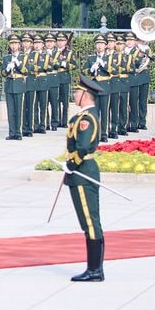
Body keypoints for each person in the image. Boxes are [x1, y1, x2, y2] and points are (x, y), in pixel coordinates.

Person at [65, 74, 106, 282]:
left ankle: (95, 270)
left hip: (83, 172)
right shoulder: (84, 116)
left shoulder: (87, 119)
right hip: (81, 171)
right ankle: (95, 268)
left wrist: (71, 164)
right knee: (89, 221)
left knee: (90, 222)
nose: (75, 94)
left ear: (85, 95)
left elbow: (83, 147)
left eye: (77, 92)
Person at [2, 34, 27, 140]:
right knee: (10, 111)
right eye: (12, 43)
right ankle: (11, 132)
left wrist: (18, 65)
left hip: (19, 85)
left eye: (15, 43)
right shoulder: (6, 58)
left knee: (19, 110)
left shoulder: (24, 57)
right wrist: (8, 69)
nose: (13, 46)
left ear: (19, 45)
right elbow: (3, 73)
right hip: (9, 85)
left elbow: (26, 71)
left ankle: (18, 132)